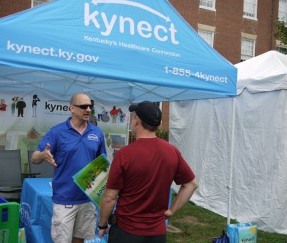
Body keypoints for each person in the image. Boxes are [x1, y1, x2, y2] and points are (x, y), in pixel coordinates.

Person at [98, 101, 198, 243]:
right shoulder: (172, 151)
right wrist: (171, 211)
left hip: (126, 232)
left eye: (133, 117)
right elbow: (191, 184)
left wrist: (102, 224)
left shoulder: (124, 154)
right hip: (157, 233)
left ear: (137, 120)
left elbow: (109, 198)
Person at [32, 92, 107, 243]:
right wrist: (42, 155)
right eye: (83, 106)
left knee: (79, 239)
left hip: (87, 199)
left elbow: (102, 164)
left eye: (90, 106)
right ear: (72, 108)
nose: (88, 110)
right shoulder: (57, 132)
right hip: (64, 199)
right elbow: (34, 158)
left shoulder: (97, 133)